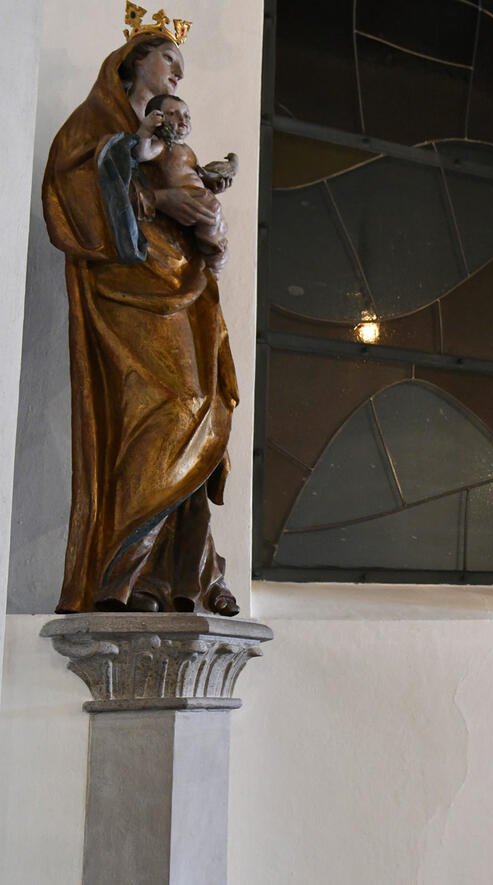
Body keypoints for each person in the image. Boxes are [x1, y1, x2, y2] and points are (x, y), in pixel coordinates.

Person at [42, 19, 239, 616]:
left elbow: (205, 214)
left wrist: (210, 225)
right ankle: (119, 575)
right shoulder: (93, 128)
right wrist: (157, 200)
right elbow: (73, 201)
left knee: (201, 417)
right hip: (125, 294)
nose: (178, 73)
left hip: (184, 287)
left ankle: (179, 578)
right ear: (130, 63)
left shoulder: (175, 142)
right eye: (167, 60)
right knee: (162, 416)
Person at [133, 93, 235, 275]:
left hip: (197, 195)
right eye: (172, 113)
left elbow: (194, 174)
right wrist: (146, 129)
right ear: (157, 118)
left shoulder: (187, 150)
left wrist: (212, 183)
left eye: (187, 115)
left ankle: (213, 261)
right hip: (187, 196)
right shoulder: (163, 146)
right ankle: (212, 263)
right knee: (213, 219)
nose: (182, 119)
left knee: (218, 224)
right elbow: (141, 153)